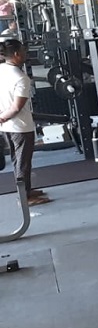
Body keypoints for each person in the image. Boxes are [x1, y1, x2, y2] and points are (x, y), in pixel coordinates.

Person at [0, 40, 48, 206]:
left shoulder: (1, 70)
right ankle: (24, 198)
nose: (26, 54)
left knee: (18, 160)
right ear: (16, 54)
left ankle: (26, 190)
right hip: (20, 127)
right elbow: (16, 107)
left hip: (6, 127)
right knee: (23, 163)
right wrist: (2, 118)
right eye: (24, 51)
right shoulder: (21, 78)